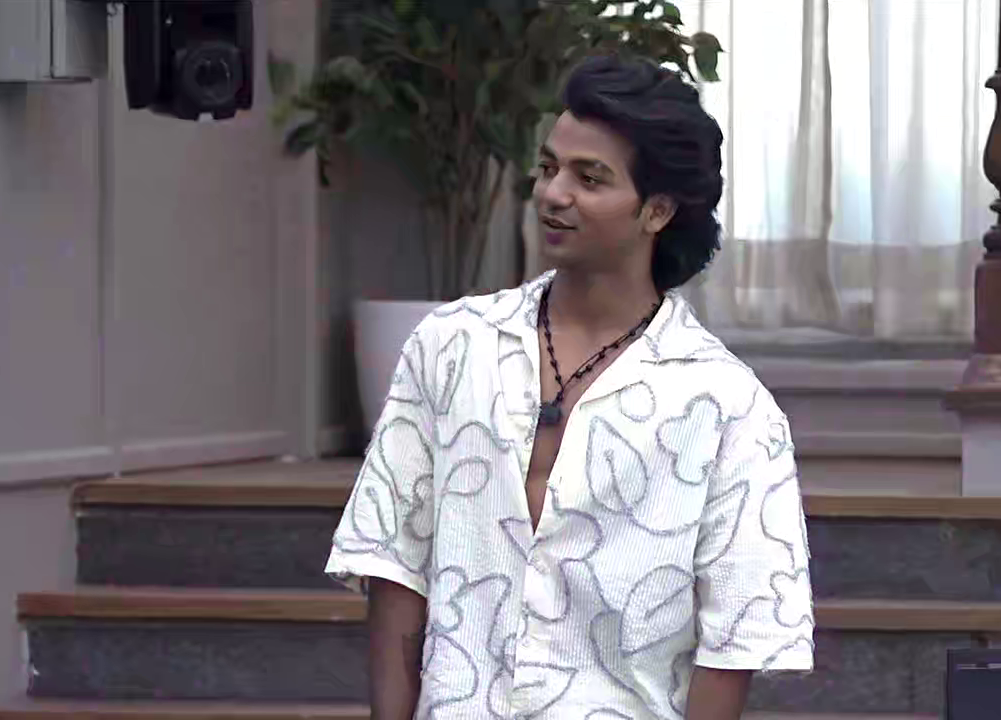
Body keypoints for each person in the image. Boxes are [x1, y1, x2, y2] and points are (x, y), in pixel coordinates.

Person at [327, 53, 813, 720]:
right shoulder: (452, 345)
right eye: (548, 167)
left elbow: (736, 636)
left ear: (656, 211)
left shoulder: (727, 405)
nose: (554, 193)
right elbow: (394, 561)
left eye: (590, 178)